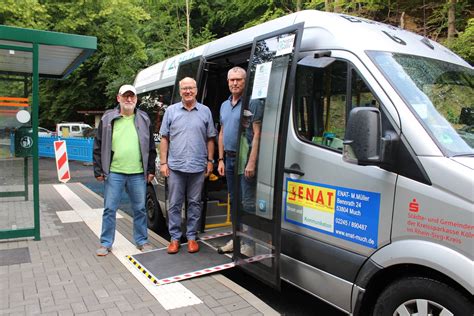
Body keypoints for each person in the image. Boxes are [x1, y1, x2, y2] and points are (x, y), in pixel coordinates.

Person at [93, 84, 157, 256]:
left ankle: (142, 241)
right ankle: (106, 243)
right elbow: (98, 145)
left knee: (140, 209)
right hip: (114, 172)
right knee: (109, 209)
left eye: (132, 97)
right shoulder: (108, 119)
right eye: (125, 96)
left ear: (136, 99)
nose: (129, 99)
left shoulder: (144, 118)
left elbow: (151, 147)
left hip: (138, 173)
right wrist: (98, 169)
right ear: (118, 98)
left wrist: (151, 169)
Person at [159, 77, 216, 254]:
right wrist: (163, 163)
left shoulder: (205, 111)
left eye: (191, 88)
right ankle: (175, 239)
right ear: (180, 91)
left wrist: (210, 161)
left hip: (198, 167)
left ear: (196, 90)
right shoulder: (171, 111)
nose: (188, 91)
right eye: (184, 88)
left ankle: (191, 237)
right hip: (175, 167)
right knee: (174, 204)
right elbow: (164, 138)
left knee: (194, 203)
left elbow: (210, 139)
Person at [216, 67, 246, 254]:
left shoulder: (251, 103)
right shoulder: (224, 105)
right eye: (231, 80)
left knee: (246, 202)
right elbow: (222, 133)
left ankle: (248, 244)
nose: (234, 83)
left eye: (238, 79)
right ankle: (236, 239)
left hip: (245, 160)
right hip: (228, 159)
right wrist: (220, 159)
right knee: (234, 201)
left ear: (245, 80)